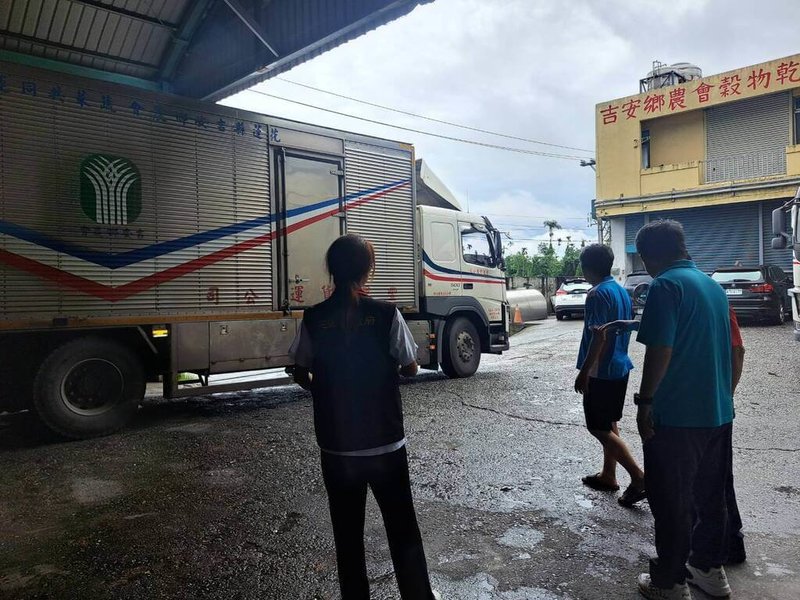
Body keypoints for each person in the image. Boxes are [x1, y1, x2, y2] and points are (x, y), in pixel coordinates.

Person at [289, 234, 440, 600]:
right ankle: (417, 595)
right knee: (402, 525)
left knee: (346, 531)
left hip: (338, 446)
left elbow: (298, 369)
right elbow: (409, 368)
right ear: (367, 269)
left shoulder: (314, 317)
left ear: (331, 271)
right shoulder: (386, 314)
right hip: (386, 442)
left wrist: (322, 390)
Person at [601, 220, 735, 600]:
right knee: (711, 496)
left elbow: (661, 350)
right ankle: (708, 570)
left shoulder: (664, 285)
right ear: (682, 246)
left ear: (648, 255)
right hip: (718, 411)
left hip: (678, 416)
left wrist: (644, 404)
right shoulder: (711, 286)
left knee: (671, 499)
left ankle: (669, 582)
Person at [573, 244, 646, 508]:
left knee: (598, 427)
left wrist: (585, 373)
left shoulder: (596, 294)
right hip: (619, 366)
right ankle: (608, 475)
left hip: (601, 371)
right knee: (609, 423)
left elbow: (599, 336)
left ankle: (639, 477)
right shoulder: (620, 291)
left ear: (587, 267)